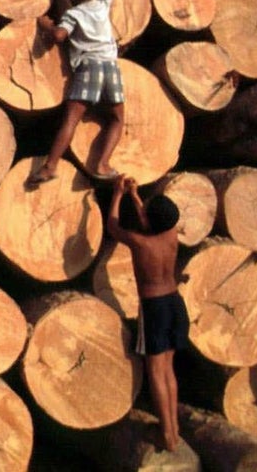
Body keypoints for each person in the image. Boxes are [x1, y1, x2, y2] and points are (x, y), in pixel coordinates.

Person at [27, 0, 124, 185]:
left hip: (88, 67)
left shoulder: (73, 14)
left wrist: (46, 25)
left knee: (71, 119)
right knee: (117, 119)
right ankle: (103, 163)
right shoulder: (101, 5)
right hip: (110, 66)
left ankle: (50, 166)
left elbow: (60, 36)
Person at [107, 175, 187, 452]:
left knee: (155, 370)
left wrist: (117, 195)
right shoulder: (170, 234)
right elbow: (147, 219)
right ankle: (173, 428)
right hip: (175, 303)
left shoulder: (140, 243)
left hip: (154, 309)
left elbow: (114, 227)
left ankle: (165, 434)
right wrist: (135, 194)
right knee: (169, 369)